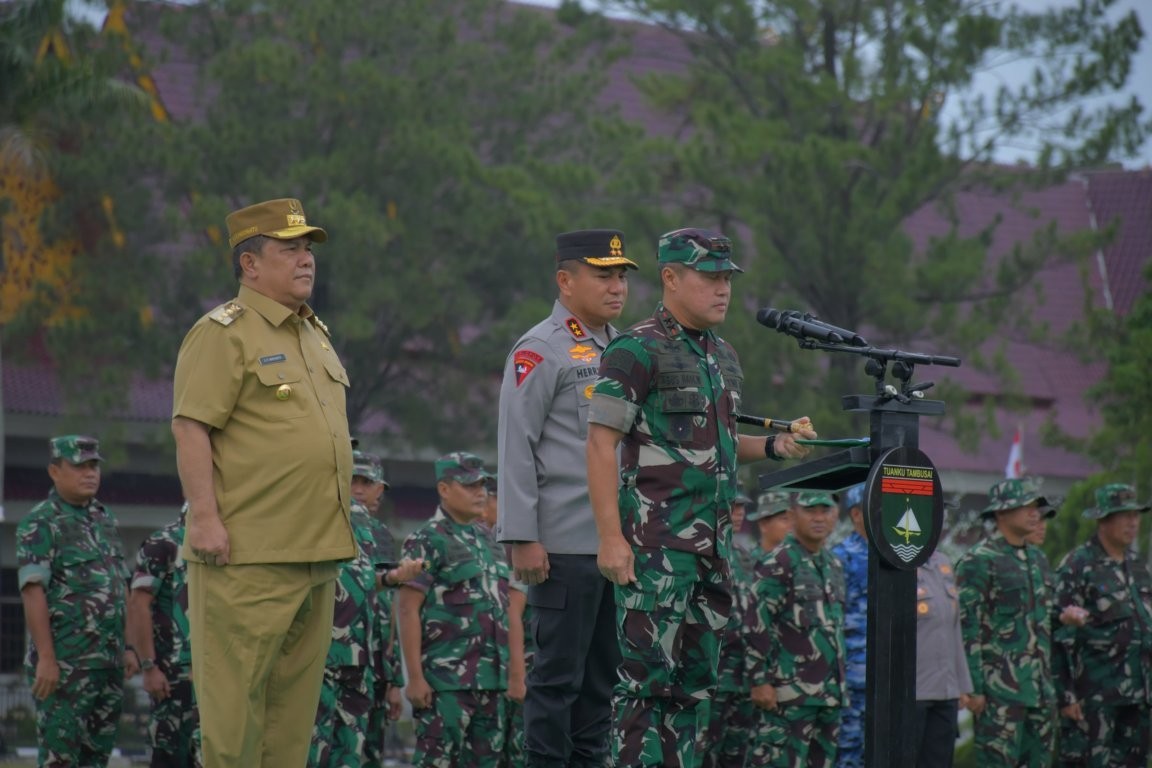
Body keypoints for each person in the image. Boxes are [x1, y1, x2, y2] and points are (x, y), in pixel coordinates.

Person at [586, 227, 814, 767]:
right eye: (709, 278)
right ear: (670, 277)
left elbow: (721, 446)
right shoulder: (635, 349)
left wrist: (777, 446)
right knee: (644, 689)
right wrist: (610, 539)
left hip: (713, 552)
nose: (723, 289)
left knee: (693, 693)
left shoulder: (724, 356)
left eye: (727, 279)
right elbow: (599, 444)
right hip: (655, 551)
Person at [171, 197, 358, 767]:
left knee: (290, 726)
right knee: (234, 724)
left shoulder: (314, 334)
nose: (306, 260)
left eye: (308, 249)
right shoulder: (223, 333)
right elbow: (191, 426)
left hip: (315, 553)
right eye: (289, 249)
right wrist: (205, 519)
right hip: (247, 556)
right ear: (249, 264)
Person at [496, 228, 636, 768]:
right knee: (556, 683)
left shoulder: (623, 350)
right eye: (603, 275)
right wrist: (522, 536)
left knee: (601, 685)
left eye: (621, 276)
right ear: (565, 280)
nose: (617, 286)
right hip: (562, 548)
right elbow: (516, 445)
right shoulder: (541, 349)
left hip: (613, 547)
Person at [16, 435, 137, 767]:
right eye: (80, 466)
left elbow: (120, 585)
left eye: (94, 465)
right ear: (54, 471)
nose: (90, 473)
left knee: (96, 758)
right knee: (61, 758)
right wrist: (46, 658)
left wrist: (129, 646)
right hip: (67, 665)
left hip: (108, 664)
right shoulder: (41, 522)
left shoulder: (104, 518)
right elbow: (32, 592)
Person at [956, 477, 1084, 768]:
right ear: (1002, 513)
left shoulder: (1037, 559)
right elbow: (967, 626)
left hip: (1040, 691)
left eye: (1036, 506)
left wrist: (1063, 617)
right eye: (1026, 506)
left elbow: (1041, 620)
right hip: (999, 693)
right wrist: (973, 687)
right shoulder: (979, 560)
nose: (1035, 513)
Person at [309, 449, 422, 768]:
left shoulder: (378, 533)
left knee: (354, 754)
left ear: (380, 489)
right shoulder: (320, 521)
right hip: (322, 655)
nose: (358, 488)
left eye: (366, 482)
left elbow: (381, 599)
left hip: (365, 663)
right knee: (313, 750)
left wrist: (392, 678)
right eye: (352, 480)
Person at [398, 452, 510, 767]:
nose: (480, 493)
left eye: (483, 485)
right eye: (469, 485)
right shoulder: (427, 539)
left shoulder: (489, 541)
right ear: (444, 489)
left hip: (492, 681)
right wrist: (415, 678)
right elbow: (407, 610)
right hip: (445, 682)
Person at [745, 491, 847, 768]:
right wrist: (759, 680)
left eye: (825, 511)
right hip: (787, 696)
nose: (819, 518)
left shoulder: (833, 564)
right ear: (792, 515)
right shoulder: (778, 562)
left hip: (829, 695)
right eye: (810, 511)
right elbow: (755, 622)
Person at [1054, 483, 1152, 768]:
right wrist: (1066, 695)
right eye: (1125, 516)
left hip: (1139, 694)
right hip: (1094, 697)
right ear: (1103, 520)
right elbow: (1059, 632)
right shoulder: (1078, 565)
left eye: (1136, 515)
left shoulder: (1138, 566)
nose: (1133, 523)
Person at [128, 503, 199, 768]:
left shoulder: (224, 545)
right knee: (170, 753)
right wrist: (149, 667)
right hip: (173, 675)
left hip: (215, 675)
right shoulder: (163, 543)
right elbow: (138, 604)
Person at [700, 490, 756, 768]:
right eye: (733, 506)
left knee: (736, 752)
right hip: (712, 673)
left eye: (742, 507)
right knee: (703, 749)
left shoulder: (744, 556)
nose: (739, 513)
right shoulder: (705, 552)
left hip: (741, 676)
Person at [482, 476, 530, 768]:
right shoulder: (486, 542)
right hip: (493, 665)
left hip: (523, 661)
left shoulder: (511, 541)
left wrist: (517, 674)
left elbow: (514, 608)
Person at [912, 547, 971, 768]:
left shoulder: (943, 562)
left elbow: (953, 628)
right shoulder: (899, 560)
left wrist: (962, 685)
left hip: (946, 690)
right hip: (913, 691)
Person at [830, 484, 867, 768]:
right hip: (852, 676)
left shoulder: (898, 554)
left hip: (891, 677)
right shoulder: (841, 557)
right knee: (848, 753)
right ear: (856, 514)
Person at [748, 491, 793, 561]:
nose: (791, 525)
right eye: (785, 519)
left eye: (792, 518)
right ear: (764, 525)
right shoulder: (750, 562)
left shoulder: (797, 557)